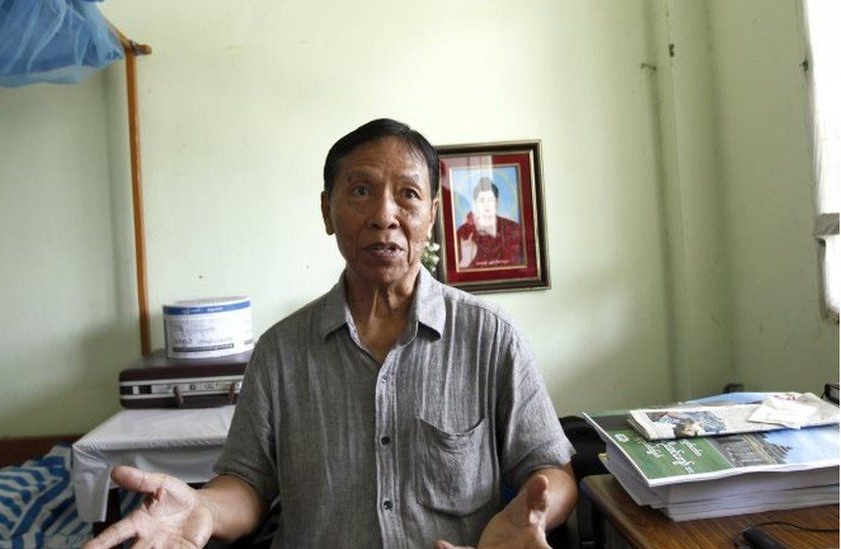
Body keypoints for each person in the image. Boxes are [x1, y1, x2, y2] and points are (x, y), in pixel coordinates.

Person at [85, 119, 576, 549]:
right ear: (327, 211)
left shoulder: (491, 338)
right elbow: (247, 484)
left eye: (407, 194)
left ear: (431, 213)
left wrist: (532, 512)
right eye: (361, 191)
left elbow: (552, 470)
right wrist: (205, 510)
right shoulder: (280, 352)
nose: (385, 215)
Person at [456, 177, 525, 269]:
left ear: (497, 202)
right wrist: (465, 261)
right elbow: (456, 271)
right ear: (475, 204)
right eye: (481, 200)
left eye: (490, 200)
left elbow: (520, 265)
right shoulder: (463, 232)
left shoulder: (513, 228)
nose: (486, 205)